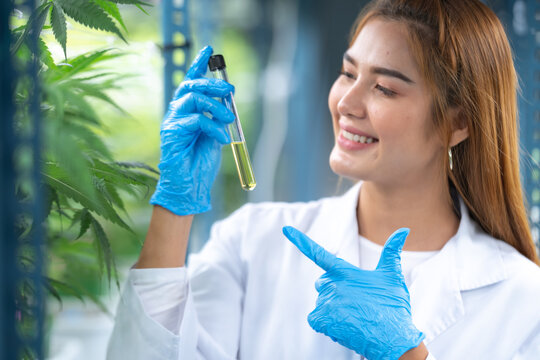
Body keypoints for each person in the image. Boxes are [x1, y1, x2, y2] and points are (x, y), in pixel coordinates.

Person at [107, 0, 540, 359]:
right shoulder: (252, 244)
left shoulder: (522, 298)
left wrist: (408, 357)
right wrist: (173, 211)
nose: (347, 102)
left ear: (458, 121)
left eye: (385, 88)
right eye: (349, 74)